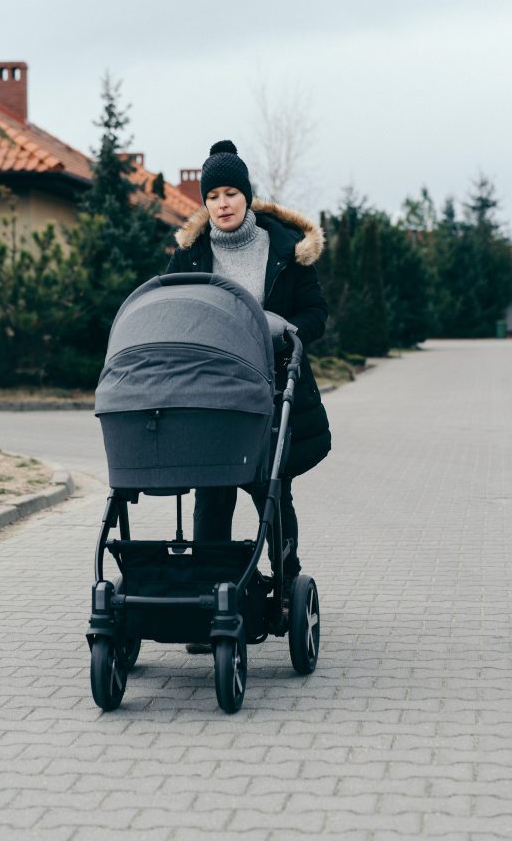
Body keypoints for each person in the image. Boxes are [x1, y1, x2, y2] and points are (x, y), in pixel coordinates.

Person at [166, 140, 331, 647]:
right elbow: (172, 314)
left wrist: (283, 328)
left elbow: (316, 316)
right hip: (212, 394)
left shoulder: (284, 250)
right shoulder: (190, 255)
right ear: (205, 203)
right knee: (211, 496)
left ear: (247, 196)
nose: (222, 202)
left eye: (231, 191)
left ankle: (284, 586)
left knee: (271, 493)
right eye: (212, 194)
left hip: (274, 388)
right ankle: (207, 603)